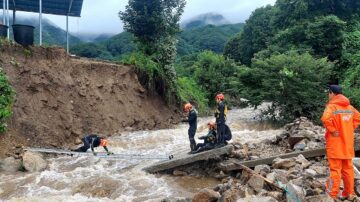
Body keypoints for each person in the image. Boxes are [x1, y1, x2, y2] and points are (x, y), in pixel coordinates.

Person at [321, 85, 360, 201]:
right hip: (347, 145)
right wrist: (349, 128)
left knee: (335, 170)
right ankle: (350, 193)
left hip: (335, 145)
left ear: (332, 93)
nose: (328, 96)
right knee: (348, 169)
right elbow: (358, 118)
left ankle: (332, 194)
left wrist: (333, 130)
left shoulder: (331, 107)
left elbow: (325, 119)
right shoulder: (350, 107)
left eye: (329, 93)